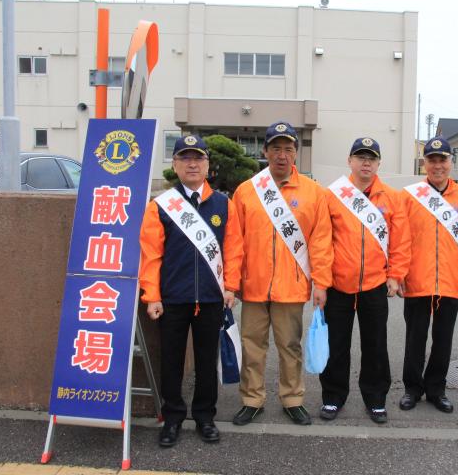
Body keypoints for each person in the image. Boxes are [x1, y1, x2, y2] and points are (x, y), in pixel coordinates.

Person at [139, 135, 243, 447]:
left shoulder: (224, 204)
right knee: (170, 361)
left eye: (198, 158)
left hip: (211, 298)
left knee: (206, 360)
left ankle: (204, 416)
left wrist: (231, 286)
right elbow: (151, 254)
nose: (192, 163)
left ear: (208, 165)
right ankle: (171, 418)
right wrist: (152, 295)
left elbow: (234, 249)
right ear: (175, 165)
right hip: (173, 299)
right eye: (185, 158)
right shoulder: (160, 206)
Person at [231, 121, 333, 426]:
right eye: (275, 148)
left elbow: (321, 242)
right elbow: (234, 241)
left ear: (296, 154)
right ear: (264, 151)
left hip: (292, 286)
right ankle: (252, 399)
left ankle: (292, 399)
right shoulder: (247, 191)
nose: (281, 155)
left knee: (290, 346)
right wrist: (232, 281)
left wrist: (322, 283)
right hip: (253, 286)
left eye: (288, 148)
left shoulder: (314, 193)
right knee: (252, 345)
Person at [319, 137, 410, 424]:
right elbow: (321, 242)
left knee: (375, 345)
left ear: (379, 163)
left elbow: (401, 241)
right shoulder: (332, 195)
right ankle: (333, 397)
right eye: (360, 156)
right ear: (350, 161)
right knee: (337, 345)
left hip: (374, 285)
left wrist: (395, 275)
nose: (366, 162)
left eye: (371, 157)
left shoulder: (392, 197)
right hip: (338, 285)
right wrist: (321, 282)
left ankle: (376, 399)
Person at [399, 136, 458, 413]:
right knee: (415, 338)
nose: (437, 165)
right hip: (416, 279)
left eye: (442, 160)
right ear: (424, 164)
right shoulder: (409, 196)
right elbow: (400, 240)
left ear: (451, 162)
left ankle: (436, 389)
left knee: (443, 340)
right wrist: (398, 274)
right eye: (432, 160)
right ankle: (412, 389)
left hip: (450, 280)